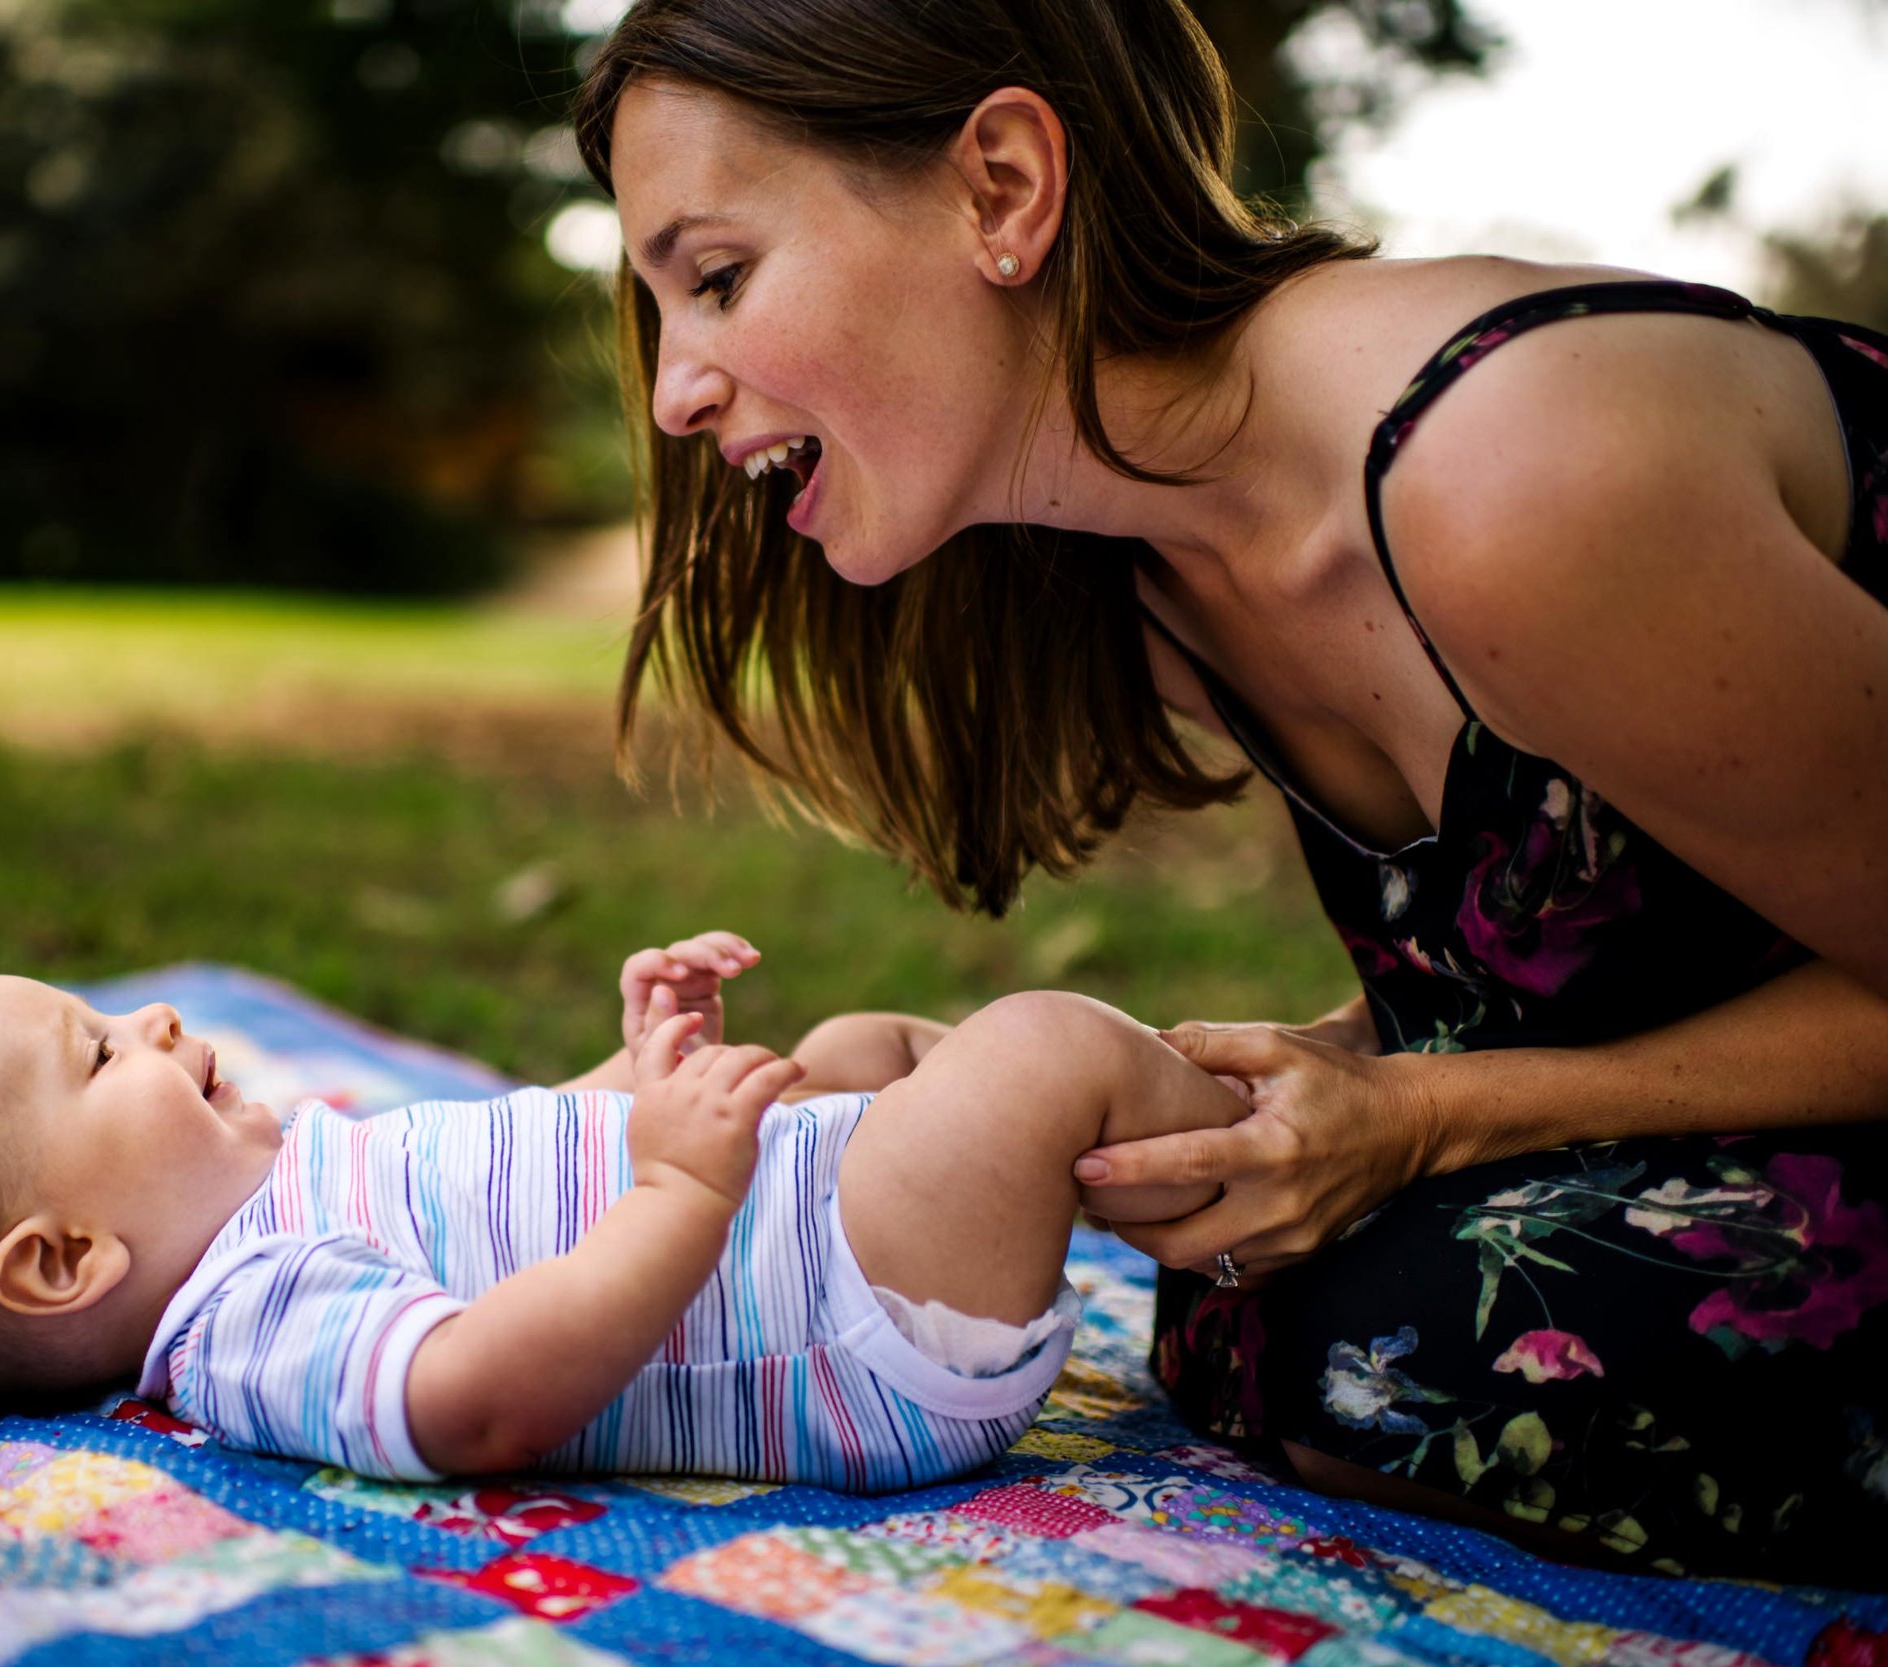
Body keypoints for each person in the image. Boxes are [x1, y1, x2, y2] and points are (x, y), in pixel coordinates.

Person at [568, 0, 1888, 1584]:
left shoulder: (1507, 479)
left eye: (716, 280)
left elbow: (1505, 1058)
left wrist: (1421, 1117)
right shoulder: (1163, 592)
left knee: (1430, 1335)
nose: (676, 394)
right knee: (1269, 1290)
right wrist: (1266, 1091)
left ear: (1001, 186)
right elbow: (1582, 975)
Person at [0, 935, 1247, 1490]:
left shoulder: (273, 1183)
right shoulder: (250, 1328)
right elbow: (479, 1401)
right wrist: (682, 1179)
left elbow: (513, 1167)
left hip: (805, 1237)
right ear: (64, 1260)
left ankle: (1194, 1182)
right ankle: (1287, 1204)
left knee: (855, 1050)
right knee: (1043, 1050)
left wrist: (636, 1070)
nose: (156, 1026)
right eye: (100, 1054)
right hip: (849, 1333)